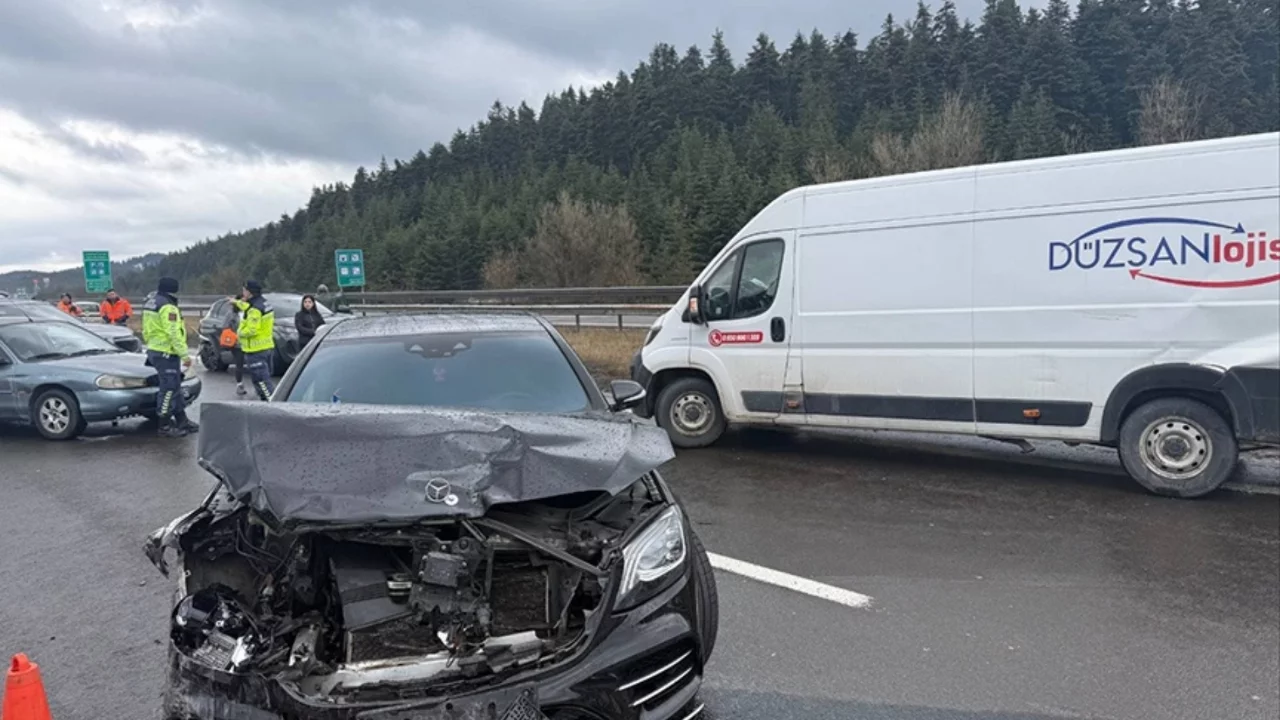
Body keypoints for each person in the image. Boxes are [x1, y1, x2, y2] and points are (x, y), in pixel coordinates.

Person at [142, 277, 199, 437]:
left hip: (156, 349)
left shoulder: (151, 303)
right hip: (167, 352)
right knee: (168, 389)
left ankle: (182, 420)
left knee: (175, 387)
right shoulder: (168, 307)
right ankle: (164, 425)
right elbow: (173, 333)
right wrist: (184, 355)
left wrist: (151, 344)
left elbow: (146, 329)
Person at [232, 280, 276, 401]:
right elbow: (247, 306)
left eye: (244, 290)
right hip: (266, 347)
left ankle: (272, 407)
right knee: (262, 381)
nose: (243, 292)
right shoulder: (263, 303)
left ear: (250, 292)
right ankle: (265, 405)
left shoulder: (254, 310)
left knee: (262, 383)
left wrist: (239, 333)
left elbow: (252, 330)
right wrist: (235, 302)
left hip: (256, 350)